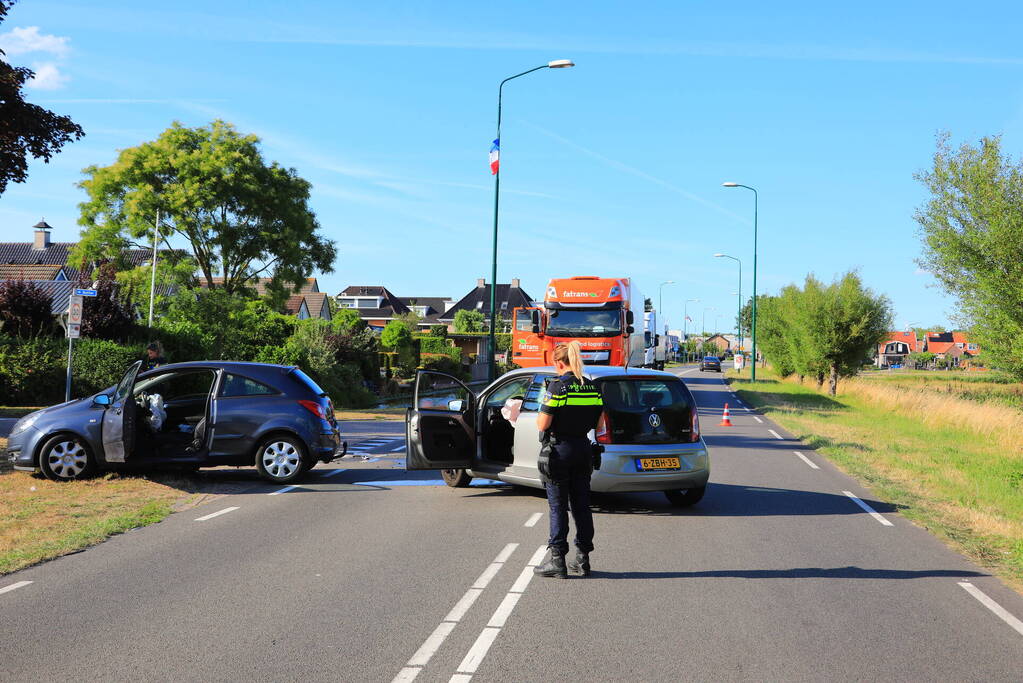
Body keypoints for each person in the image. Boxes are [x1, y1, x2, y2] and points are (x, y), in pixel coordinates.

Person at [533, 341, 604, 579]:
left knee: (558, 507)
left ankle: (557, 561)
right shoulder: (593, 388)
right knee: (582, 507)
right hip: (583, 451)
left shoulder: (557, 387)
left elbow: (543, 424)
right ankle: (583, 560)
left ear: (559, 363)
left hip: (559, 452)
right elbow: (600, 425)